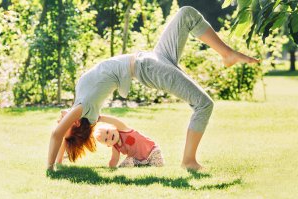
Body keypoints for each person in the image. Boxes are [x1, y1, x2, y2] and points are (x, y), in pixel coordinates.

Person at [47, 6, 259, 171]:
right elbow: (58, 135)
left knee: (187, 14)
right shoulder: (83, 109)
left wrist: (60, 160)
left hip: (151, 57)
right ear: (74, 125)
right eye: (65, 125)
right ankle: (189, 160)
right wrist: (51, 166)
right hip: (148, 68)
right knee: (204, 104)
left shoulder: (81, 105)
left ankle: (226, 54)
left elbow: (63, 136)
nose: (59, 120)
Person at [93, 115, 164, 168]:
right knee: (128, 162)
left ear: (114, 127)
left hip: (152, 151)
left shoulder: (123, 129)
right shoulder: (115, 147)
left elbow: (115, 121)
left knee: (158, 164)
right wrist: (111, 167)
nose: (108, 136)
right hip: (137, 159)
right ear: (108, 145)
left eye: (107, 132)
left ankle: (151, 162)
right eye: (105, 139)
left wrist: (100, 118)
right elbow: (114, 159)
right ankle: (144, 163)